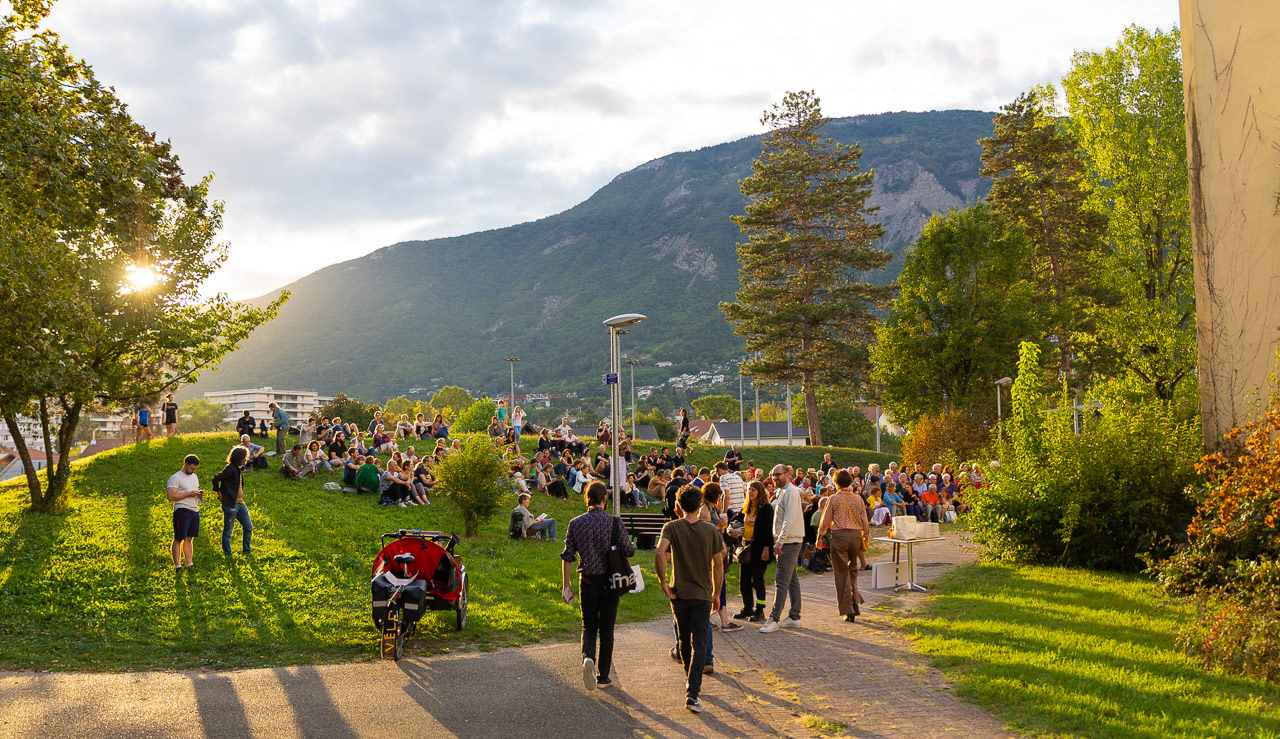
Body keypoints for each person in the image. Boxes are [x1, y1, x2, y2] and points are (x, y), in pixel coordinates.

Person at [655, 485, 725, 713]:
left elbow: (659, 552)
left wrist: (663, 582)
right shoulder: (710, 530)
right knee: (700, 643)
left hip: (679, 593)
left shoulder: (672, 527)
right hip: (702, 594)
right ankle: (692, 693)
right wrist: (716, 593)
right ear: (700, 504)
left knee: (684, 640)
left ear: (678, 506)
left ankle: (690, 680)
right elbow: (718, 564)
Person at [561, 481, 635, 691]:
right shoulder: (614, 522)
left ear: (587, 498)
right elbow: (629, 550)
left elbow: (568, 556)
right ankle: (603, 676)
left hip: (587, 581)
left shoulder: (575, 523)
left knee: (589, 625)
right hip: (611, 582)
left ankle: (588, 658)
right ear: (604, 499)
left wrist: (566, 583)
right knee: (607, 628)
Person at [819, 469, 870, 622]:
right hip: (855, 537)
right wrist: (866, 536)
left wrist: (819, 536)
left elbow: (825, 520)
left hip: (840, 536)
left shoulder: (833, 499)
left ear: (835, 483)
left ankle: (848, 609)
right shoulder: (858, 499)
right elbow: (864, 520)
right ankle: (855, 602)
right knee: (852, 570)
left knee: (841, 573)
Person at [760, 463, 805, 633]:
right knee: (791, 579)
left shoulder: (791, 492)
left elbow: (789, 519)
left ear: (787, 474)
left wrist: (780, 541)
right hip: (786, 540)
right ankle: (794, 616)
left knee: (781, 580)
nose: (774, 478)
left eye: (777, 474)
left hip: (789, 542)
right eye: (772, 475)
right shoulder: (782, 491)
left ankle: (774, 618)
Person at [734, 480, 774, 622]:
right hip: (746, 547)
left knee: (758, 581)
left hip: (760, 548)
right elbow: (736, 520)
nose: (750, 492)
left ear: (760, 492)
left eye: (753, 490)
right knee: (743, 581)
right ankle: (747, 608)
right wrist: (731, 528)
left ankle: (760, 609)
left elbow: (768, 531)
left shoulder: (766, 508)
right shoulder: (746, 507)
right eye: (749, 489)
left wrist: (767, 548)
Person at [166, 454, 204, 572]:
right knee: (179, 538)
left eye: (195, 469)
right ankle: (177, 565)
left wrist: (199, 494)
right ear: (186, 464)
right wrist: (188, 494)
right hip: (182, 510)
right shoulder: (175, 478)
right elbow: (171, 496)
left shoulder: (194, 477)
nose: (193, 471)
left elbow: (193, 492)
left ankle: (189, 563)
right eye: (192, 468)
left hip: (194, 509)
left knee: (189, 538)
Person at [213, 447, 253, 557]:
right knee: (228, 531)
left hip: (240, 503)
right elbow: (216, 479)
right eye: (244, 458)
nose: (245, 460)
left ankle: (247, 550)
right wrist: (219, 495)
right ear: (238, 458)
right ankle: (228, 554)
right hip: (231, 504)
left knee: (248, 527)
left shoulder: (237, 469)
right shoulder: (230, 469)